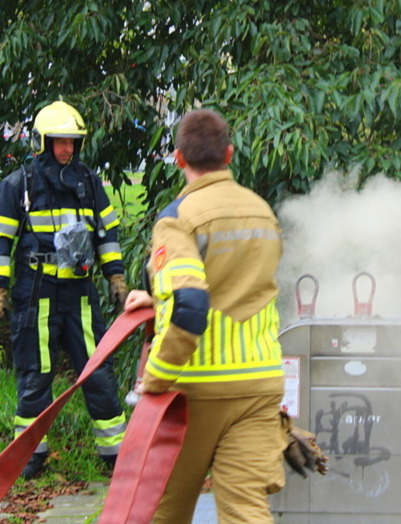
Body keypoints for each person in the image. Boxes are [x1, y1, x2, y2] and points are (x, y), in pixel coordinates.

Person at [124, 108, 286, 524]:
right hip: (259, 385)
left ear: (179, 158)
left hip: (194, 392)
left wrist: (156, 379)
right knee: (247, 512)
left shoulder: (179, 219)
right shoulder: (262, 212)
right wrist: (158, 300)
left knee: (165, 511)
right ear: (229, 154)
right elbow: (234, 287)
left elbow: (192, 305)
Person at [0, 100, 130, 479]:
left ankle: (116, 452)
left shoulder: (89, 182)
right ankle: (30, 455)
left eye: (72, 142)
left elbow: (106, 235)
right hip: (37, 292)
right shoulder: (19, 184)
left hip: (80, 293)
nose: (67, 149)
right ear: (42, 142)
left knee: (98, 371)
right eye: (60, 141)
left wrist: (115, 277)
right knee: (36, 373)